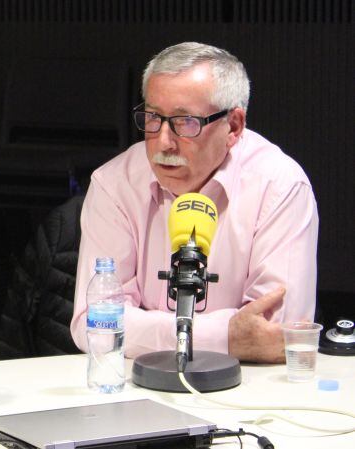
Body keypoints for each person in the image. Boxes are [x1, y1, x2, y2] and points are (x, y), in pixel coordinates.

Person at [70, 42, 318, 364]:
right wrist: (226, 336)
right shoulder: (114, 184)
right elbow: (96, 323)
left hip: (245, 387)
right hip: (135, 383)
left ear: (233, 126)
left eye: (185, 122)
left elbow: (276, 334)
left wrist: (145, 329)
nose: (163, 141)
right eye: (152, 118)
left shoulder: (280, 187)